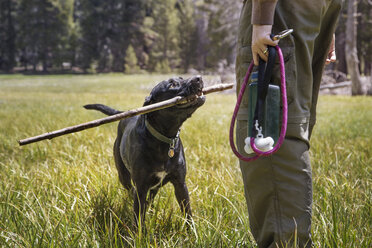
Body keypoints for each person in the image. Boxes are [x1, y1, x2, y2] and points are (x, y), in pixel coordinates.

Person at [235, 0, 343, 247]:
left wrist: (262, 18)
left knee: (272, 136)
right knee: (291, 123)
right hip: (308, 11)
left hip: (280, 10)